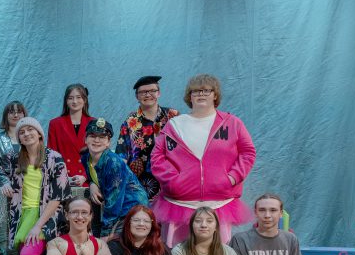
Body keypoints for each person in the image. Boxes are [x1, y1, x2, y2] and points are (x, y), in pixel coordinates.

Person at [151, 74, 256, 245]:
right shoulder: (175, 124)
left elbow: (248, 152)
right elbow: (157, 157)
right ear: (189, 96)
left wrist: (232, 177)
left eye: (206, 90)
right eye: (196, 91)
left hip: (219, 202)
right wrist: (173, 181)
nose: (201, 94)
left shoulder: (233, 123)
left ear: (215, 95)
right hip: (178, 202)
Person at [6, 117, 70, 255]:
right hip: (22, 215)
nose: (26, 134)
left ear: (40, 133)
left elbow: (58, 196)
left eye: (30, 130)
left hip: (46, 216)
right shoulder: (17, 160)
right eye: (22, 132)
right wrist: (4, 186)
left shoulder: (54, 158)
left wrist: (38, 225)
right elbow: (11, 185)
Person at [80, 118, 148, 239]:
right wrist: (92, 184)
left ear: (108, 142)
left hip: (131, 210)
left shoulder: (113, 163)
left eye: (102, 137)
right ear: (85, 139)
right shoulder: (86, 158)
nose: (96, 140)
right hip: (113, 209)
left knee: (113, 246)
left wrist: (106, 234)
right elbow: (94, 176)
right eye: (92, 136)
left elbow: (114, 203)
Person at [116, 76, 179, 200]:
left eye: (152, 91)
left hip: (171, 181)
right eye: (143, 92)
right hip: (140, 186)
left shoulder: (173, 116)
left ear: (159, 93)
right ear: (137, 97)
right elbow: (121, 156)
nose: (148, 95)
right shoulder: (130, 122)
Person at [0, 101, 29, 215]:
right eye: (11, 112)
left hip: (26, 192)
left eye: (19, 112)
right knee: (3, 231)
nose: (15, 115)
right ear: (6, 115)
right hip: (0, 192)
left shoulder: (31, 138)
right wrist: (6, 183)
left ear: (24, 115)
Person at [48, 84, 93, 191]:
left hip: (88, 181)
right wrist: (63, 176)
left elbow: (99, 156)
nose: (75, 101)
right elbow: (52, 155)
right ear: (66, 101)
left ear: (85, 100)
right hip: (63, 180)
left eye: (78, 97)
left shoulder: (93, 123)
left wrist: (86, 176)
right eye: (70, 98)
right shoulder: (55, 124)